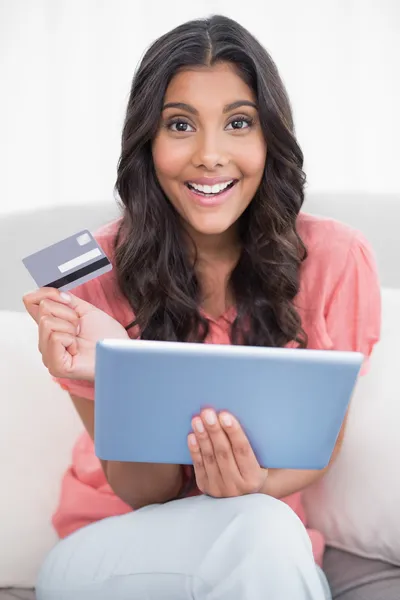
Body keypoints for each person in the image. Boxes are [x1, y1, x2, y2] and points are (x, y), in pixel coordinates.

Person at [23, 14, 381, 600]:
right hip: (112, 543)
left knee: (265, 528)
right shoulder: (84, 270)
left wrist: (252, 484)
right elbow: (145, 492)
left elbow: (321, 446)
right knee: (266, 530)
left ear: (271, 138)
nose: (210, 155)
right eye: (181, 125)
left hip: (265, 548)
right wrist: (121, 367)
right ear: (147, 142)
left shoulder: (338, 256)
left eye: (238, 123)